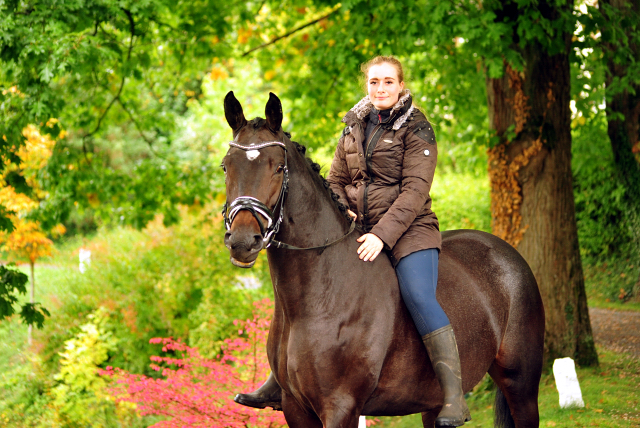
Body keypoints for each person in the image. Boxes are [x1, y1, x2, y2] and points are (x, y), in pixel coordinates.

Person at [235, 56, 471, 427]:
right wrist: (342, 210)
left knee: (419, 295)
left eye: (388, 82)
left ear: (400, 85)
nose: (381, 88)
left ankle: (454, 396)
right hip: (359, 228)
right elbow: (336, 179)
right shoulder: (354, 125)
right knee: (308, 292)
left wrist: (381, 235)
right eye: (374, 81)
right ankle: (282, 377)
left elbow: (414, 191)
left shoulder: (418, 129)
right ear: (367, 85)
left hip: (409, 230)